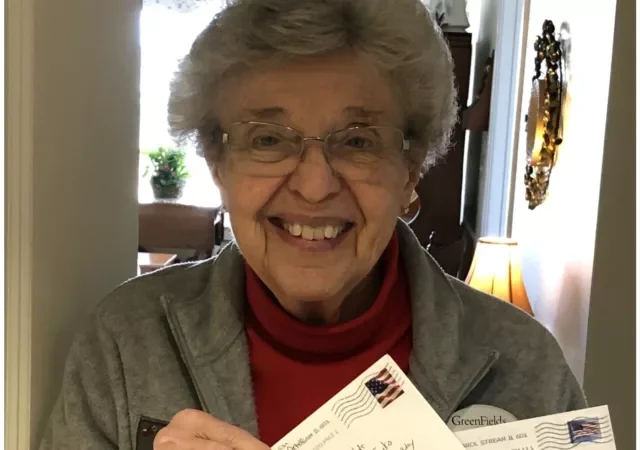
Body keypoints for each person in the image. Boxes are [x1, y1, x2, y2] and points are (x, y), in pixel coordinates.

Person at [39, 0, 586, 449]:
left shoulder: (525, 365)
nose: (315, 185)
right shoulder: (126, 342)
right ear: (217, 165)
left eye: (358, 141)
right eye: (267, 139)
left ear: (411, 171)